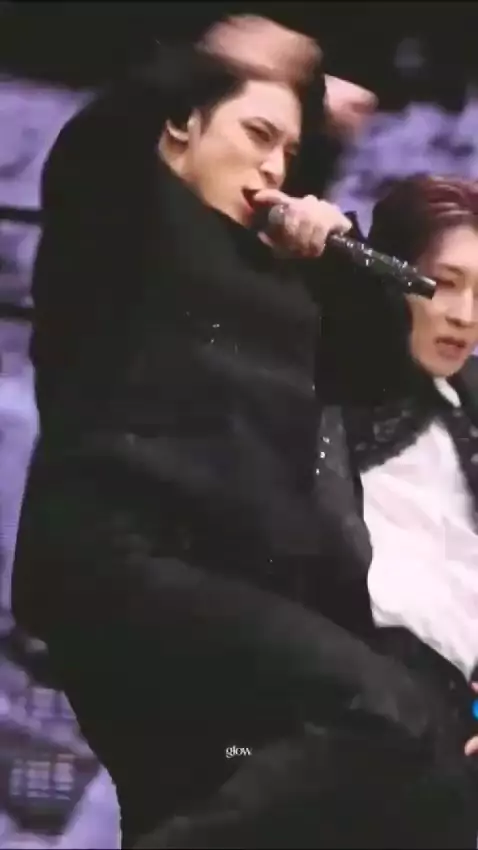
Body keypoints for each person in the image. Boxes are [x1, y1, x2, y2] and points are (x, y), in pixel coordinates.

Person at [9, 20, 476, 850]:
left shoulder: (269, 275)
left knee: (404, 776)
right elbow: (104, 138)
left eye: (288, 152)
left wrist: (334, 244)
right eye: (259, 136)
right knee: (384, 715)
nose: (273, 168)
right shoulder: (123, 223)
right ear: (180, 126)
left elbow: (373, 365)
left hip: (229, 590)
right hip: (124, 561)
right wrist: (242, 65)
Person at [344, 174, 478, 761]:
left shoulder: (466, 410)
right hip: (353, 728)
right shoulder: (323, 407)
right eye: (444, 285)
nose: (465, 316)